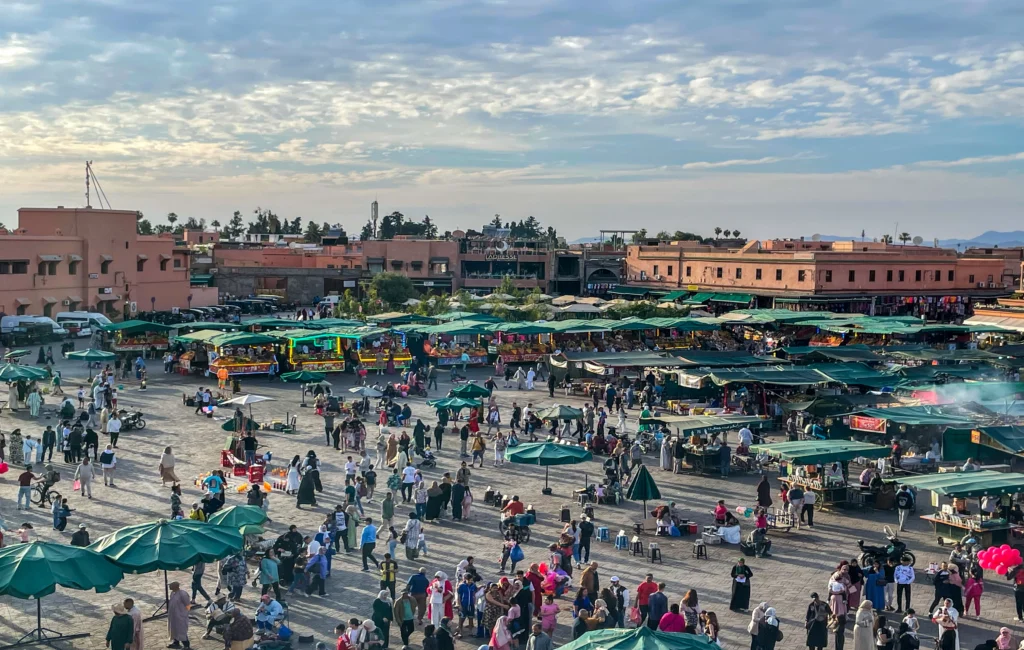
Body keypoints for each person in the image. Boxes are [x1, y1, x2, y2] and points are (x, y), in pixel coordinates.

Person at [167, 581, 192, 649]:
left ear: (175, 587)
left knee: (181, 631)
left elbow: (188, 605)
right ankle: (176, 643)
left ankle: (186, 645)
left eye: (171, 585)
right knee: (174, 629)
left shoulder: (183, 594)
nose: (169, 586)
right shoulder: (172, 593)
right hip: (173, 616)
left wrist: (184, 613)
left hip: (181, 616)